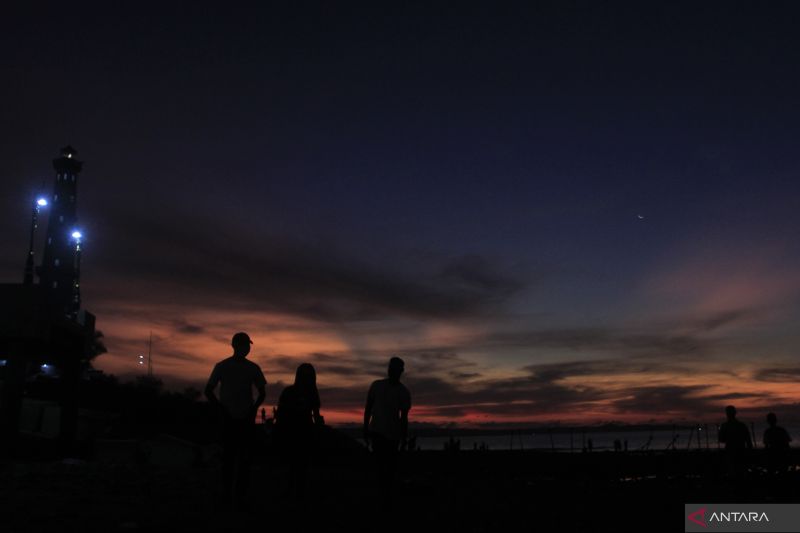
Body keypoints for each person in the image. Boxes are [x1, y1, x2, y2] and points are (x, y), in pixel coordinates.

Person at [205, 332, 267, 509]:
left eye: (247, 345)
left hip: (243, 419)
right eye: (245, 345)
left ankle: (236, 496)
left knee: (240, 459)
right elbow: (208, 390)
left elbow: (262, 392)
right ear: (236, 346)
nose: (246, 348)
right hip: (232, 419)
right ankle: (230, 495)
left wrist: (252, 409)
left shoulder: (250, 368)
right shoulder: (224, 366)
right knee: (231, 459)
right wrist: (222, 409)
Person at [363, 356, 411, 503]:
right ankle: (382, 496)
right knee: (380, 467)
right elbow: (368, 408)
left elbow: (404, 417)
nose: (392, 370)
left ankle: (386, 497)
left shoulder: (403, 392)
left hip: (393, 435)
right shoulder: (376, 386)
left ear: (400, 371)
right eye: (391, 367)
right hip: (377, 433)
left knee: (389, 468)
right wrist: (365, 428)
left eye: (395, 368)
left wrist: (403, 437)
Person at [275, 363, 323, 499]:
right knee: (296, 465)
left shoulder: (308, 393)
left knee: (299, 465)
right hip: (293, 432)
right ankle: (294, 492)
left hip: (303, 432)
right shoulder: (291, 392)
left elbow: (316, 413)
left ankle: (295, 492)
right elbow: (281, 413)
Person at [717, 405, 752, 478]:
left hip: (730, 451)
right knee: (741, 472)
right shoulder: (742, 425)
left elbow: (721, 439)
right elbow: (748, 441)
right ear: (735, 413)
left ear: (727, 414)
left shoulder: (724, 426)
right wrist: (749, 452)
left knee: (732, 472)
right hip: (741, 451)